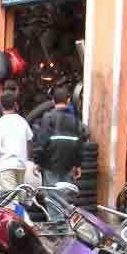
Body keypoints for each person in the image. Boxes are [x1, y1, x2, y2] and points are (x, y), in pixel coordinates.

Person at [32, 86, 84, 223]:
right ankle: (66, 225)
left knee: (52, 197)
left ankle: (57, 225)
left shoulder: (48, 117)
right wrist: (78, 164)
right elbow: (80, 143)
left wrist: (37, 162)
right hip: (68, 165)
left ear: (53, 101)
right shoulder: (75, 120)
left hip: (50, 165)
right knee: (66, 197)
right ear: (68, 100)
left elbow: (42, 142)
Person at [0, 91, 32, 190]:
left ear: (1, 106)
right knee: (19, 193)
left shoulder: (0, 122)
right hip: (21, 165)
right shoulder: (22, 121)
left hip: (6, 166)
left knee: (9, 196)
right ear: (15, 105)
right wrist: (26, 158)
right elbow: (29, 142)